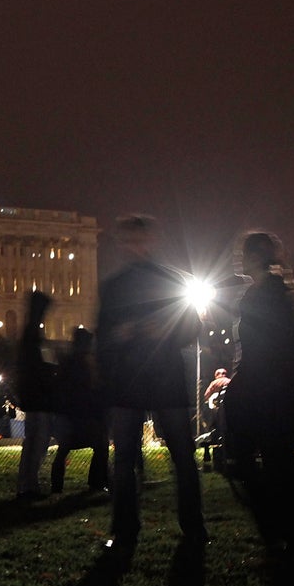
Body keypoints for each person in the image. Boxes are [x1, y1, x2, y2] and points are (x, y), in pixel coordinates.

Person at [96, 214, 205, 553]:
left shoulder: (158, 281)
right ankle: (132, 527)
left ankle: (188, 525)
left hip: (151, 377)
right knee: (131, 458)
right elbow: (103, 336)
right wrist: (120, 335)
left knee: (179, 456)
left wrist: (161, 332)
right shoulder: (123, 286)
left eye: (138, 240)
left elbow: (191, 326)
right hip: (140, 379)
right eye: (130, 241)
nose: (135, 246)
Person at [222, 232, 294, 557]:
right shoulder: (267, 293)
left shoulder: (266, 296)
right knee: (273, 462)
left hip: (268, 390)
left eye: (243, 254)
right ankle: (288, 531)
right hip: (269, 389)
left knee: (271, 462)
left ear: (254, 257)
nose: (239, 260)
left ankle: (284, 531)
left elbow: (280, 348)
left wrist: (245, 379)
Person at [50, 327, 109, 493]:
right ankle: (97, 481)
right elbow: (87, 390)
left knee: (65, 450)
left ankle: (57, 485)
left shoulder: (70, 362)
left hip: (72, 416)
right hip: (80, 416)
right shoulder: (82, 364)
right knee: (100, 444)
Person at [15, 291, 56, 500]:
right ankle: (28, 485)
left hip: (34, 395)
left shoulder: (31, 332)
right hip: (37, 396)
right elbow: (36, 366)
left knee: (34, 441)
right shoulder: (33, 334)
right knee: (36, 441)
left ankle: (27, 483)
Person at [199, 367, 232, 472]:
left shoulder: (214, 383)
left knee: (214, 422)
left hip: (217, 411)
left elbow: (206, 396)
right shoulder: (229, 381)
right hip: (229, 410)